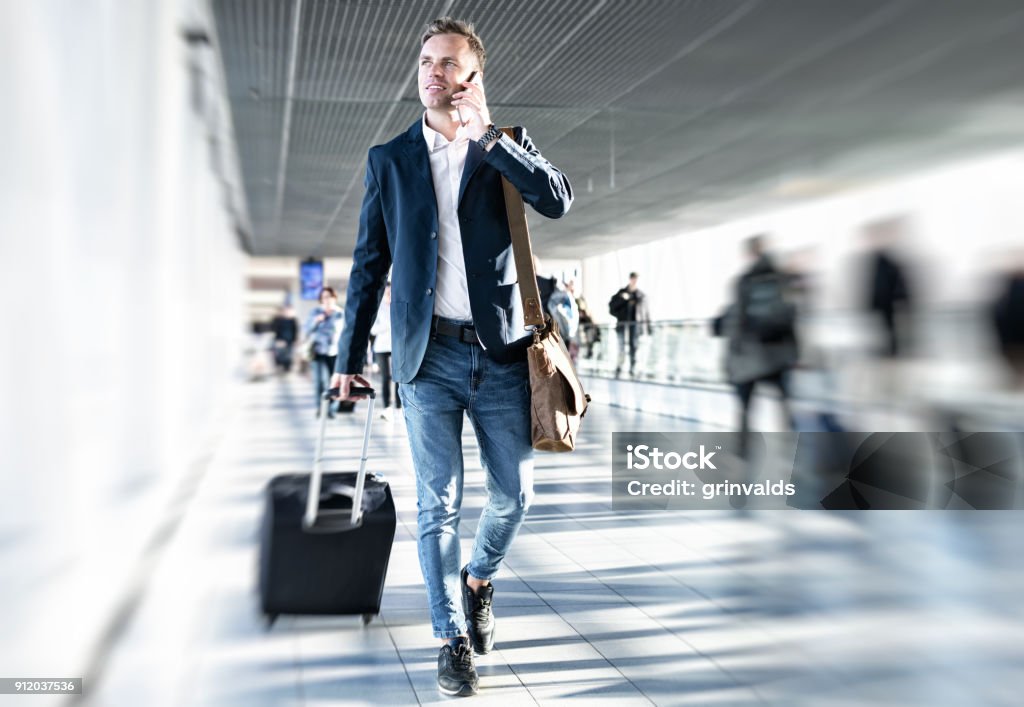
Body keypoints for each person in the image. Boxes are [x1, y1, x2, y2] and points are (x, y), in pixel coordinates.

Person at [329, 17, 572, 696]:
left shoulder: (505, 147)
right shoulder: (390, 159)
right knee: (437, 505)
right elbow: (368, 264)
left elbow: (556, 200)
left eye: (449, 63)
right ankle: (449, 637)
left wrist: (491, 140)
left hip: (499, 355)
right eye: (427, 61)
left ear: (474, 78)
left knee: (514, 494)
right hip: (426, 356)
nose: (434, 73)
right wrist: (348, 356)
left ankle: (479, 577)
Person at [722, 236, 798, 456]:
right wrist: (794, 352)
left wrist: (732, 355)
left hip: (751, 354)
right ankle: (792, 444)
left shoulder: (744, 281)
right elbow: (792, 314)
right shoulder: (782, 279)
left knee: (746, 405)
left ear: (749, 254)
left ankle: (743, 447)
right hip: (780, 353)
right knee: (784, 402)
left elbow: (737, 320)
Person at [862, 218, 914, 357]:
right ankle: (888, 350)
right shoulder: (879, 260)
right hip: (883, 302)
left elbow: (887, 283)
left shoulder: (885, 261)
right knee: (885, 328)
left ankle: (890, 350)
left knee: (889, 328)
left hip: (885, 302)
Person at [304, 286, 344, 418]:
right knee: (319, 382)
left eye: (329, 297)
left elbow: (345, 333)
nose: (326, 300)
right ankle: (320, 408)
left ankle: (332, 409)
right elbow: (306, 330)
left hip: (335, 352)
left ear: (334, 298)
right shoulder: (315, 312)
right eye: (323, 297)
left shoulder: (340, 313)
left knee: (333, 382)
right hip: (318, 351)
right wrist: (316, 321)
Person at [608, 272, 650, 377]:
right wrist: (623, 299)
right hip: (622, 325)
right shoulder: (621, 293)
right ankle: (619, 367)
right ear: (630, 279)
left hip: (635, 326)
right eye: (633, 278)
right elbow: (612, 308)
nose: (634, 280)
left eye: (636, 278)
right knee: (621, 347)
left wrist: (647, 328)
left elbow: (645, 313)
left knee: (634, 346)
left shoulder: (640, 295)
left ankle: (633, 368)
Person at [369, 282, 401, 418]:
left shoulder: (398, 307)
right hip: (381, 347)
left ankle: (399, 408)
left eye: (391, 292)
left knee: (399, 378)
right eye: (387, 292)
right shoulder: (378, 308)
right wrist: (389, 326)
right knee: (385, 378)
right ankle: (387, 407)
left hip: (397, 347)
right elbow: (373, 330)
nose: (389, 294)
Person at [269, 304, 299, 374]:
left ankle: (287, 367)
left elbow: (295, 330)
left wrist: (295, 340)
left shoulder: (292, 320)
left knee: (288, 355)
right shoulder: (278, 320)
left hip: (290, 341)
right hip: (280, 340)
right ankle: (280, 366)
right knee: (280, 355)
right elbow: (274, 329)